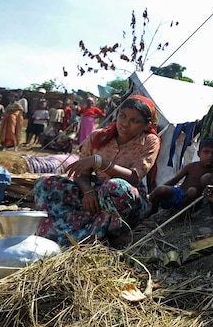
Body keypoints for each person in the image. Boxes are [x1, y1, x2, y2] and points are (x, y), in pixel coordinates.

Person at [33, 96, 161, 248]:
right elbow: (82, 174)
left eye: (135, 121)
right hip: (95, 193)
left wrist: (99, 162)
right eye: (123, 116)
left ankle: (104, 236)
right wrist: (88, 191)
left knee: (114, 186)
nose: (125, 123)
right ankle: (54, 231)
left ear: (146, 125)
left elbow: (134, 177)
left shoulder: (149, 141)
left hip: (126, 198)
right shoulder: (98, 137)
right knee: (46, 182)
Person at [150, 137, 213, 214]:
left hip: (193, 202)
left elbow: (212, 192)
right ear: (198, 154)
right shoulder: (191, 166)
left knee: (192, 191)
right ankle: (153, 209)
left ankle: (184, 214)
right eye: (206, 152)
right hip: (179, 193)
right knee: (160, 189)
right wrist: (156, 191)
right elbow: (175, 180)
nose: (210, 156)